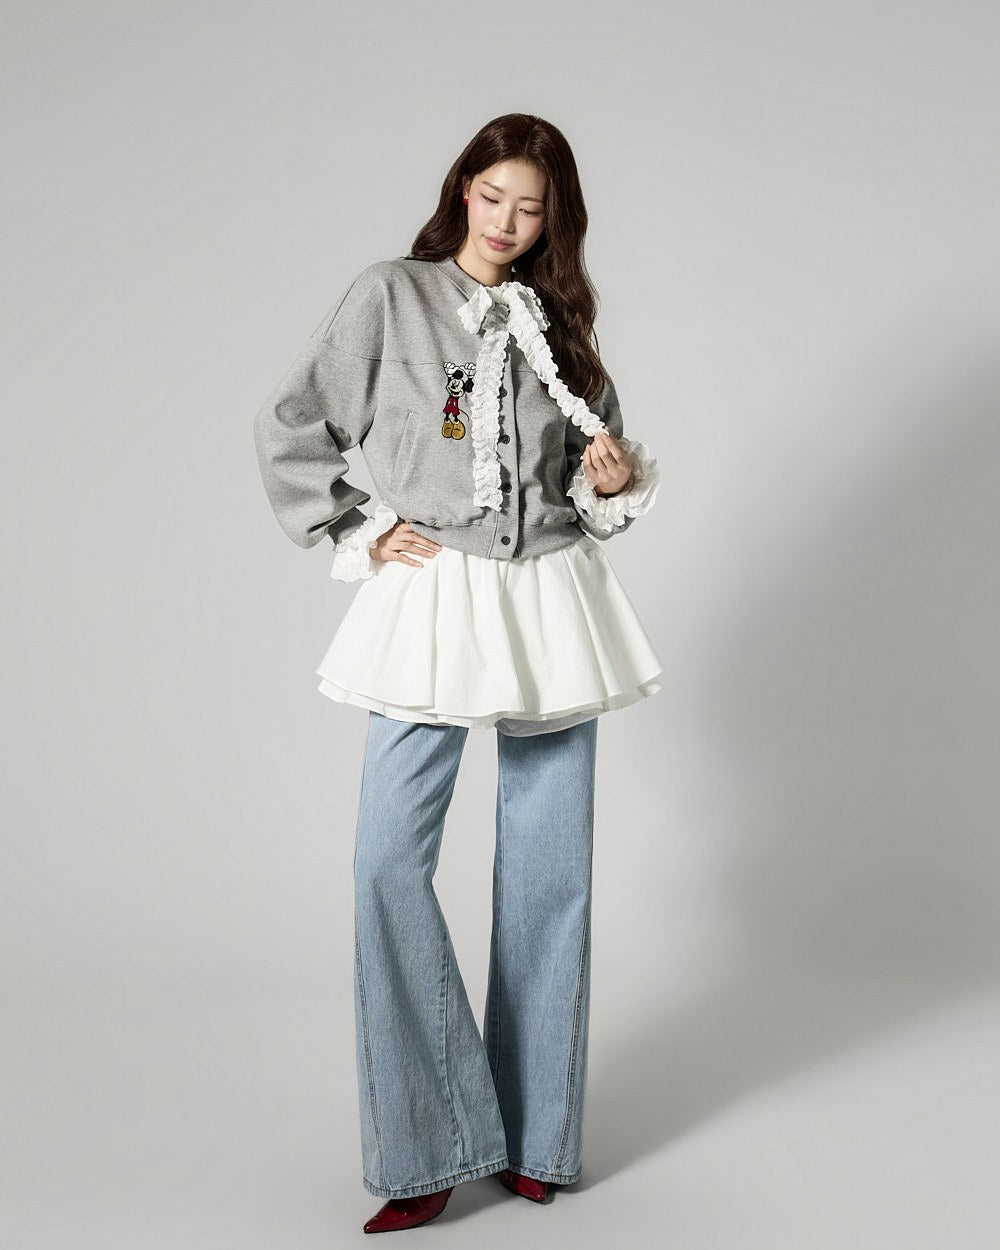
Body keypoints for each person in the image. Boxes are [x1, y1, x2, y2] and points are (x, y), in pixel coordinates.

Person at [253, 112, 664, 1234]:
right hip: (435, 592)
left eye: (530, 209)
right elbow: (291, 423)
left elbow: (589, 473)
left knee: (550, 869)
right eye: (492, 198)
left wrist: (608, 479)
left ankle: (536, 1135)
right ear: (461, 190)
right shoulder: (389, 295)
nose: (506, 223)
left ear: (553, 220)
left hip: (549, 598)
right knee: (388, 860)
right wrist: (356, 525)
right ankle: (431, 1140)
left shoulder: (560, 318)